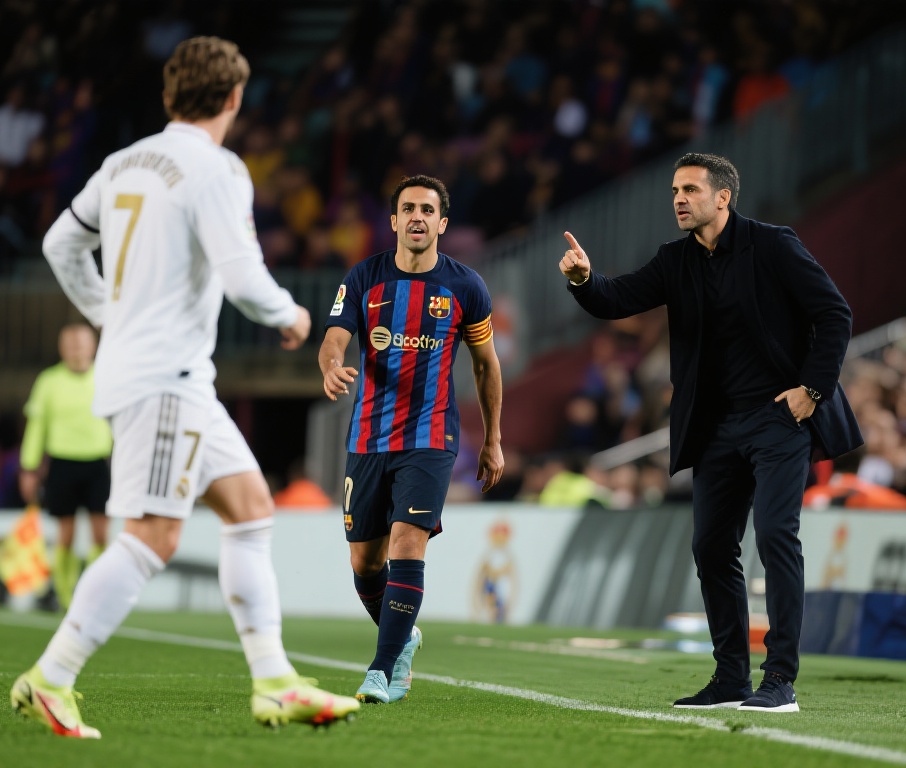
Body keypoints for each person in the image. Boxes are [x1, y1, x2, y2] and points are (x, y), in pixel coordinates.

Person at [10, 36, 359, 739]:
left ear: (170, 96)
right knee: (152, 537)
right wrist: (291, 315)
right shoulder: (217, 168)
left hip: (169, 376)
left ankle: (274, 681)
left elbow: (58, 244)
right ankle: (51, 677)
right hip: (164, 378)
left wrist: (107, 311)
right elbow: (243, 276)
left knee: (251, 507)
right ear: (233, 98)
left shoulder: (123, 162)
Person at [559, 152, 862, 713]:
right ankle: (730, 679)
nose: (679, 199)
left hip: (779, 418)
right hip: (717, 427)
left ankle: (781, 679)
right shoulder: (675, 259)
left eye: (691, 190)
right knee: (710, 547)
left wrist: (811, 390)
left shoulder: (773, 244)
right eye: (675, 190)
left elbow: (834, 314)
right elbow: (617, 298)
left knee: (775, 535)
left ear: (723, 197)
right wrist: (584, 280)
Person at [319, 174, 504, 704]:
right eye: (408, 209)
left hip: (430, 435)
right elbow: (334, 338)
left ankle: (382, 671)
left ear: (442, 223)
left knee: (406, 542)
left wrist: (493, 440)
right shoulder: (364, 277)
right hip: (368, 437)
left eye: (427, 209)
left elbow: (486, 365)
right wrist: (331, 366)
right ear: (394, 220)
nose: (417, 217)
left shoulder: (466, 287)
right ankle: (404, 636)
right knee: (364, 564)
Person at [18, 323, 113, 609]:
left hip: (98, 463)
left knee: (101, 533)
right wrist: (29, 467)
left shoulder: (107, 377)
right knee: (66, 533)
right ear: (61, 348)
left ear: (93, 346)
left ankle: (97, 592)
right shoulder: (49, 381)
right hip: (62, 464)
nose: (75, 349)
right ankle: (66, 595)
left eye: (80, 343)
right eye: (69, 344)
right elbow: (37, 426)